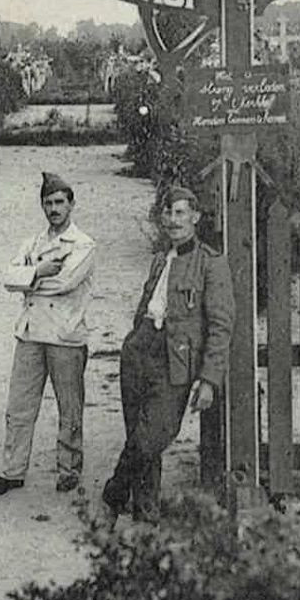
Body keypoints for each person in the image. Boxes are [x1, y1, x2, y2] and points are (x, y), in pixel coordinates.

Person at [101, 186, 234, 524]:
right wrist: (134, 340)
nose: (173, 220)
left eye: (180, 213)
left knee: (152, 437)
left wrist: (208, 379)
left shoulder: (211, 263)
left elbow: (221, 325)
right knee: (137, 434)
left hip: (175, 361)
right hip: (140, 350)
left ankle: (113, 495)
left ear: (196, 217)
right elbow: (146, 307)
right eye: (168, 213)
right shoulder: (161, 259)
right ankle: (146, 515)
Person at [0, 171, 96, 496]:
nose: (54, 209)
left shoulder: (84, 244)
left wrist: (28, 278)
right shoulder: (32, 243)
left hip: (65, 333)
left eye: (60, 202)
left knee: (69, 406)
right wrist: (37, 271)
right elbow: (7, 277)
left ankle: (69, 469)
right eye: (48, 203)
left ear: (71, 204)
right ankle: (13, 470)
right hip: (31, 333)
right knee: (19, 406)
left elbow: (65, 282)